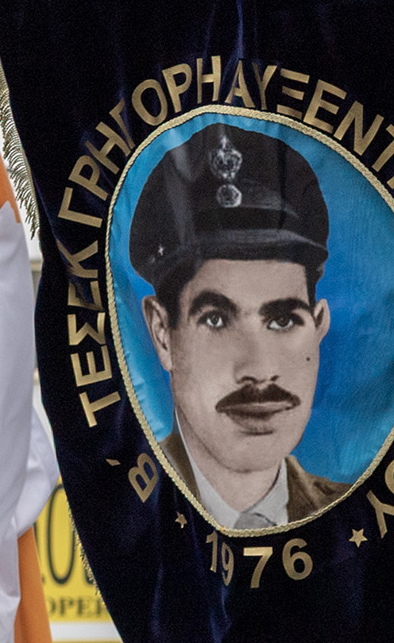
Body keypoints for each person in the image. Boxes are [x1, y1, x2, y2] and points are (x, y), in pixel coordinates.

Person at [132, 122, 349, 529]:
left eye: (283, 320)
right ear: (162, 333)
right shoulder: (122, 518)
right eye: (216, 320)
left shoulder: (355, 520)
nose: (259, 369)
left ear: (319, 326)